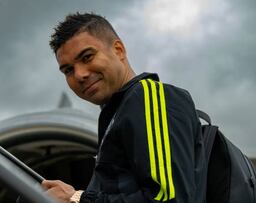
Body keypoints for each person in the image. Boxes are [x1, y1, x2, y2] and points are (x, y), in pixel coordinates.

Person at [42, 12, 207, 203]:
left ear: (119, 50)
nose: (79, 74)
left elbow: (169, 199)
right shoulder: (118, 113)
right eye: (68, 70)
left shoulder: (146, 96)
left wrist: (77, 198)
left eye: (87, 57)